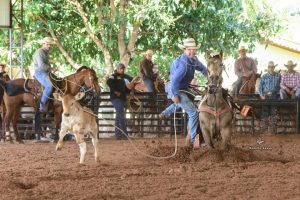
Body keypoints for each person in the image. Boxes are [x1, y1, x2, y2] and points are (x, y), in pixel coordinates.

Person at [165, 38, 207, 145]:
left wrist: (212, 78)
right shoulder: (183, 65)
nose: (192, 51)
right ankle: (193, 140)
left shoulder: (194, 61)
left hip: (184, 87)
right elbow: (174, 81)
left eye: (194, 49)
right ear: (184, 50)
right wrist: (174, 95)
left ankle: (166, 112)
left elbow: (203, 69)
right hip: (175, 89)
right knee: (193, 113)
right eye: (189, 49)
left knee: (197, 99)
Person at [107, 63, 138, 139]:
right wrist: (115, 91)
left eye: (123, 69)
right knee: (121, 115)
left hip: (122, 98)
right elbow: (108, 82)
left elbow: (126, 88)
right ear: (117, 69)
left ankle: (118, 135)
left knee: (119, 115)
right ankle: (124, 134)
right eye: (120, 69)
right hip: (116, 98)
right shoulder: (114, 76)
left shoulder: (124, 77)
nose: (122, 70)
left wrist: (130, 90)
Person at [32, 37, 55, 112]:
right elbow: (41, 65)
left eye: (50, 45)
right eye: (48, 44)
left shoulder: (45, 52)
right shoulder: (40, 52)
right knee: (49, 86)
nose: (49, 46)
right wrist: (50, 68)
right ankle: (42, 104)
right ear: (43, 44)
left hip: (45, 72)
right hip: (40, 72)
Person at [258, 61, 281, 134]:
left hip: (275, 95)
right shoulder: (264, 76)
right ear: (268, 68)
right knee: (265, 112)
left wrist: (279, 94)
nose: (271, 68)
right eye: (269, 67)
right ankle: (265, 129)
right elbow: (260, 87)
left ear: (274, 67)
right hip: (266, 95)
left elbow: (282, 86)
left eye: (272, 67)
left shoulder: (279, 76)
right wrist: (261, 95)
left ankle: (272, 130)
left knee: (273, 112)